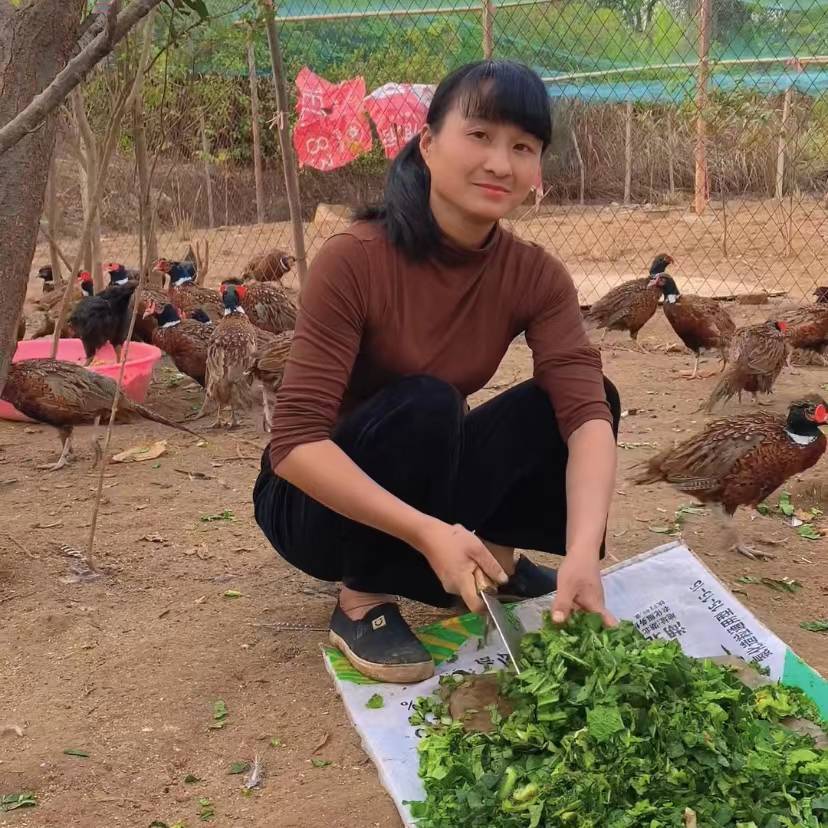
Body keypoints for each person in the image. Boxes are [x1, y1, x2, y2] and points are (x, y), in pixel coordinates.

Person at [253, 60, 620, 683]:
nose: (501, 163)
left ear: (536, 170)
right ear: (428, 144)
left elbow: (585, 417)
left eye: (523, 147)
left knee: (583, 399)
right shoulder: (356, 259)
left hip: (428, 475)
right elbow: (293, 444)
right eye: (479, 136)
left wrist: (585, 552)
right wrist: (428, 533)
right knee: (428, 402)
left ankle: (494, 561)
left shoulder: (534, 274)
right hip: (313, 505)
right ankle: (362, 597)